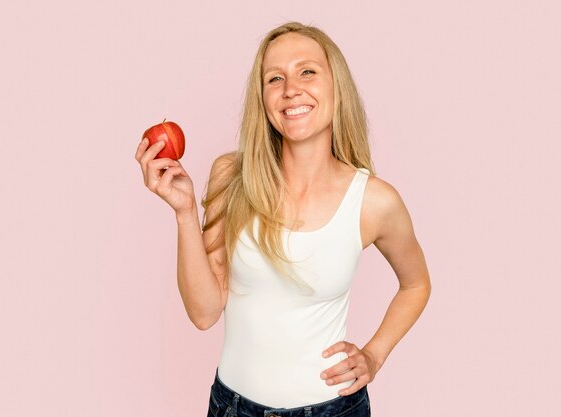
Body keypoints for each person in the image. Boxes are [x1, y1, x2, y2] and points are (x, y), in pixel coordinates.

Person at [135, 21, 431, 417]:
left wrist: (374, 355)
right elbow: (204, 313)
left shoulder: (373, 201)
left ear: (336, 86)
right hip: (232, 407)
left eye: (307, 71)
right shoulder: (231, 176)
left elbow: (416, 285)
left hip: (333, 410)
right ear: (263, 99)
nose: (291, 88)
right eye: (275, 78)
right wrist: (185, 212)